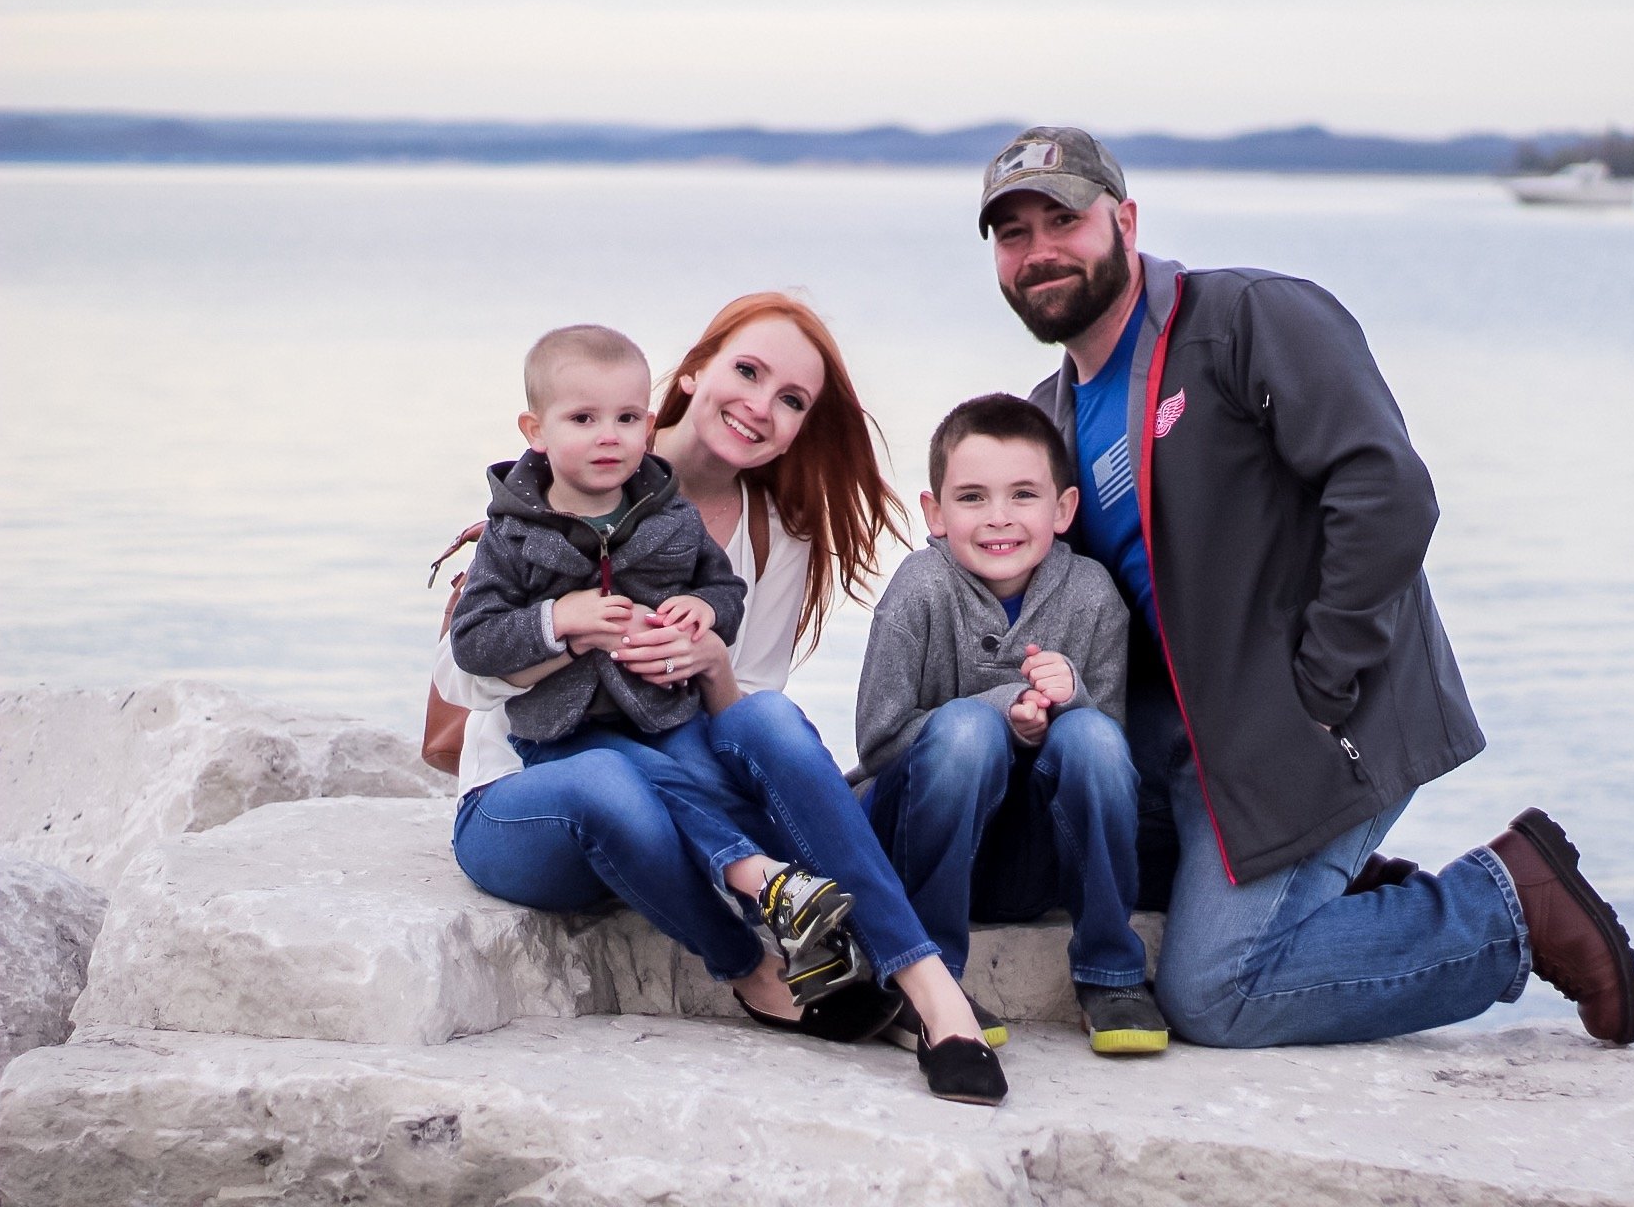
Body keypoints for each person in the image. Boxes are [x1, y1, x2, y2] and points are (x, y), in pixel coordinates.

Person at [976, 125, 1634, 1050]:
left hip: (1319, 721)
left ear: (1124, 220)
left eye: (1064, 219)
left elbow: (1388, 493)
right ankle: (1339, 893)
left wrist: (1323, 682)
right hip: (1192, 755)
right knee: (1035, 857)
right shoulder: (1046, 421)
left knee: (1215, 992)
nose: (1040, 251)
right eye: (1013, 234)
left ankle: (1508, 910)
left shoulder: (1248, 319)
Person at [436, 297, 1007, 1105]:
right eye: (747, 371)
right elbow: (460, 676)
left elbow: (746, 720)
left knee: (767, 718)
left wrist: (709, 662)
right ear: (695, 370)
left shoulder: (773, 534)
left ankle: (930, 991)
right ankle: (755, 967)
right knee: (607, 780)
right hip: (538, 793)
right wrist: (567, 629)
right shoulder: (550, 494)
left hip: (672, 782)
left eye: (791, 400)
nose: (759, 406)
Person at [447, 322, 857, 1005]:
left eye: (625, 418)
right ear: (535, 429)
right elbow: (466, 660)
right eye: (584, 419)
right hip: (532, 778)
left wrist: (705, 639)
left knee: (720, 759)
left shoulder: (693, 522)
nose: (608, 436)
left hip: (660, 758)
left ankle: (839, 936)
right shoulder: (520, 524)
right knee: (607, 776)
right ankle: (750, 954)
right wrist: (565, 626)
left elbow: (729, 618)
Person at [855, 394, 1169, 1056]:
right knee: (968, 731)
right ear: (935, 514)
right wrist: (998, 713)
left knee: (1092, 737)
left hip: (1029, 866)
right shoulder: (919, 589)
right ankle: (929, 971)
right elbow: (878, 743)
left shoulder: (1091, 596)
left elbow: (1107, 758)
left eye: (1023, 495)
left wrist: (1070, 701)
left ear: (1063, 510)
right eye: (972, 498)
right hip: (919, 842)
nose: (999, 518)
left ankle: (1110, 971)